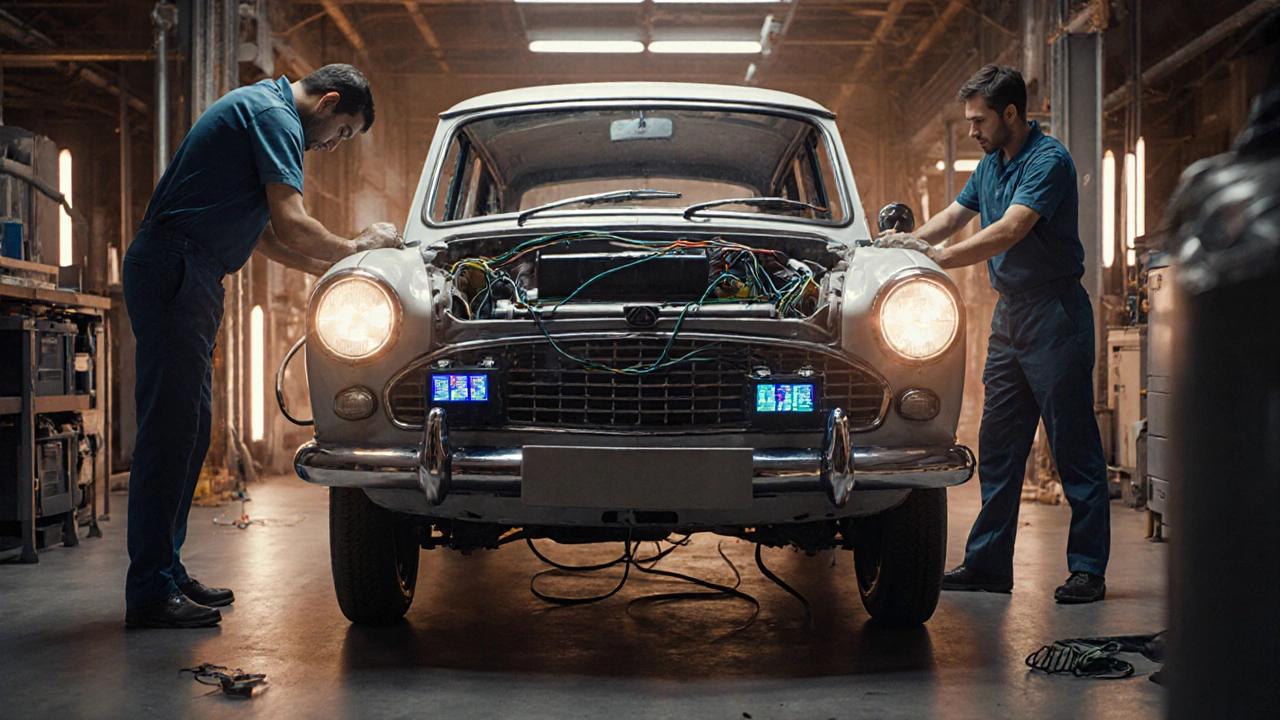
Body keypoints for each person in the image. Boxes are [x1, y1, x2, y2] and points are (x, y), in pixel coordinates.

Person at [123, 64, 401, 628]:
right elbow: (294, 223)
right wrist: (357, 245)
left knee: (191, 429)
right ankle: (150, 589)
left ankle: (166, 571)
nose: (332, 145)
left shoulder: (264, 108)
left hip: (190, 271)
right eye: (342, 132)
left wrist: (339, 261)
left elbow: (270, 239)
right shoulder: (277, 117)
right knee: (169, 432)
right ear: (326, 103)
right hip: (177, 267)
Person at [878, 64, 1110, 604]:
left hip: (1055, 313)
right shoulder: (989, 164)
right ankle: (987, 565)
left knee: (1073, 445)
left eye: (979, 120)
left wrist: (936, 259)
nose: (973, 131)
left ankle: (1087, 569)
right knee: (999, 444)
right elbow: (954, 216)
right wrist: (897, 245)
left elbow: (1008, 231)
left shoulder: (1048, 161)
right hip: (1010, 319)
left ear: (1010, 113)